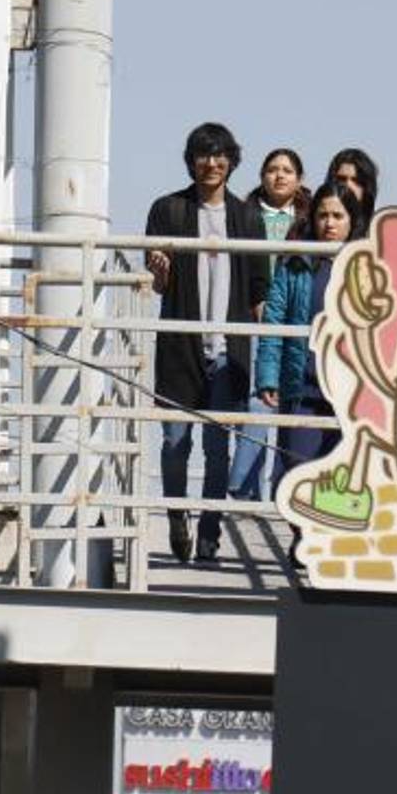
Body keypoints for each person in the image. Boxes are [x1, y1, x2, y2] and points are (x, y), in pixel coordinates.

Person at [145, 122, 270, 562]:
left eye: (219, 156)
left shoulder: (247, 218)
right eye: (202, 154)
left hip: (228, 351)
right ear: (191, 160)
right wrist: (160, 270)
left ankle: (210, 531)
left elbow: (259, 292)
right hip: (181, 347)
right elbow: (157, 285)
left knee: (219, 449)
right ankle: (178, 517)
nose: (211, 163)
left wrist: (264, 359)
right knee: (175, 443)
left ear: (231, 161)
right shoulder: (169, 210)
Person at [254, 181, 370, 500]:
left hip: (349, 390)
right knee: (294, 471)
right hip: (302, 383)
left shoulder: (367, 266)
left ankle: (318, 546)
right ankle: (301, 539)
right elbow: (274, 319)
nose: (329, 223)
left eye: (337, 216)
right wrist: (267, 374)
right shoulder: (295, 262)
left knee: (341, 475)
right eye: (323, 215)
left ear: (352, 220)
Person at [229, 148, 309, 501]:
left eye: (287, 170)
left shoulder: (308, 217)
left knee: (285, 399)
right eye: (272, 169)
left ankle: (281, 486)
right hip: (252, 313)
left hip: (294, 313)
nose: (279, 176)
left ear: (299, 179)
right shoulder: (246, 214)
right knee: (255, 399)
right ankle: (246, 487)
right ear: (261, 175)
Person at [324, 147, 379, 223]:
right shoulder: (313, 227)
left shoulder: (376, 230)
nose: (348, 185)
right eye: (342, 179)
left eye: (356, 181)